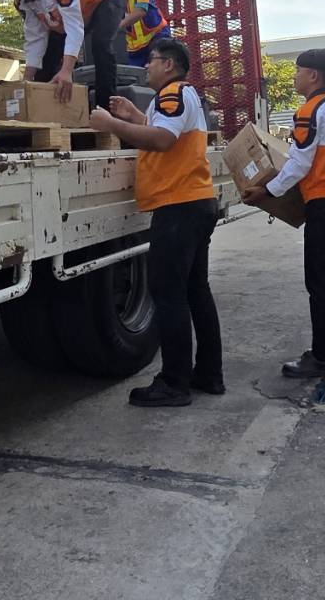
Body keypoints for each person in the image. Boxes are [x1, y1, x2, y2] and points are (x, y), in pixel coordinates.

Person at [89, 39, 222, 407]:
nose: (147, 66)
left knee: (168, 295)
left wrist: (112, 124)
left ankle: (174, 383)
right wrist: (136, 116)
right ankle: (208, 374)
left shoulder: (172, 94)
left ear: (170, 64)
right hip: (194, 203)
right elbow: (168, 133)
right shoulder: (183, 95)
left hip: (178, 207)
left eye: (152, 60)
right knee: (195, 292)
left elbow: (163, 140)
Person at [241, 49, 325, 379]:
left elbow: (299, 164)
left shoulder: (309, 111)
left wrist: (266, 191)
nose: (294, 77)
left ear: (314, 76)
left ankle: (321, 357)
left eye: (298, 71)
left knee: (319, 281)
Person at [0, 0, 119, 109]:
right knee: (46, 62)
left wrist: (66, 71)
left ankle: (105, 110)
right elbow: (36, 36)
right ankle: (41, 111)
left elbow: (74, 27)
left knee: (100, 45)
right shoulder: (22, 0)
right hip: (72, 14)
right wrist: (27, 79)